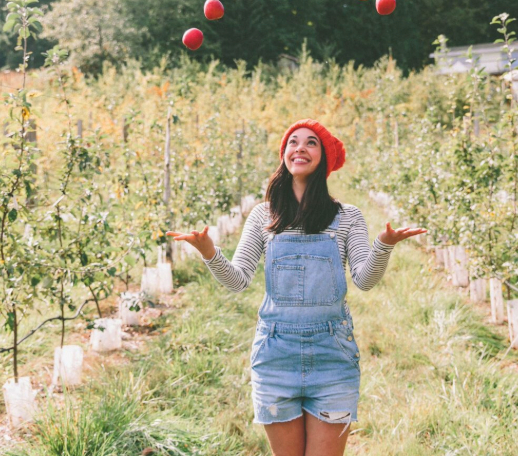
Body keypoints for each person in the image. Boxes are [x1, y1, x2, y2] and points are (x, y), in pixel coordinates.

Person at [167, 119, 426, 456]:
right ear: (284, 154)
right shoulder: (263, 216)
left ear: (324, 158)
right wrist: (209, 252)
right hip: (276, 354)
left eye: (311, 142)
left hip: (332, 355)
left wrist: (384, 245)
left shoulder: (348, 217)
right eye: (293, 141)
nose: (299, 148)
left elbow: (364, 280)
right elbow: (238, 280)